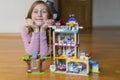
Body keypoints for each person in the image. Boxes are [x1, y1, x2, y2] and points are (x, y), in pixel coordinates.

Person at [21, 0, 54, 72]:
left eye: (44, 12)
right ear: (30, 16)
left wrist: (42, 30)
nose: (39, 14)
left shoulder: (53, 30)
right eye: (35, 11)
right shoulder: (25, 30)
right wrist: (36, 30)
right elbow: (31, 53)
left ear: (49, 16)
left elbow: (44, 54)